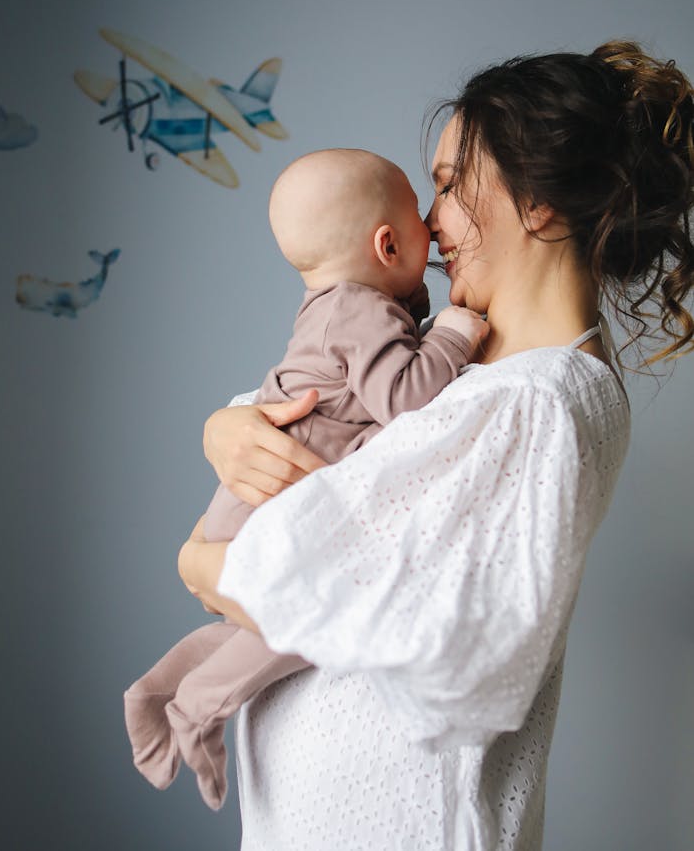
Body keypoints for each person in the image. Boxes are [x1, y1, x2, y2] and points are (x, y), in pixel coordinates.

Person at [178, 42, 694, 850]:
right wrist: (227, 425)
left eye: (450, 183)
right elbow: (331, 417)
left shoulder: (536, 404)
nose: (426, 219)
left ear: (540, 205)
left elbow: (361, 600)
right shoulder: (469, 374)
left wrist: (202, 564)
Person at [124, 148, 488, 810]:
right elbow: (406, 396)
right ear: (386, 243)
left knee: (253, 627)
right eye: (417, 217)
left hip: (250, 495)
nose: (431, 228)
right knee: (296, 624)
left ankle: (158, 689)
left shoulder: (328, 306)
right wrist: (456, 335)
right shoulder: (364, 313)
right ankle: (197, 710)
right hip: (273, 497)